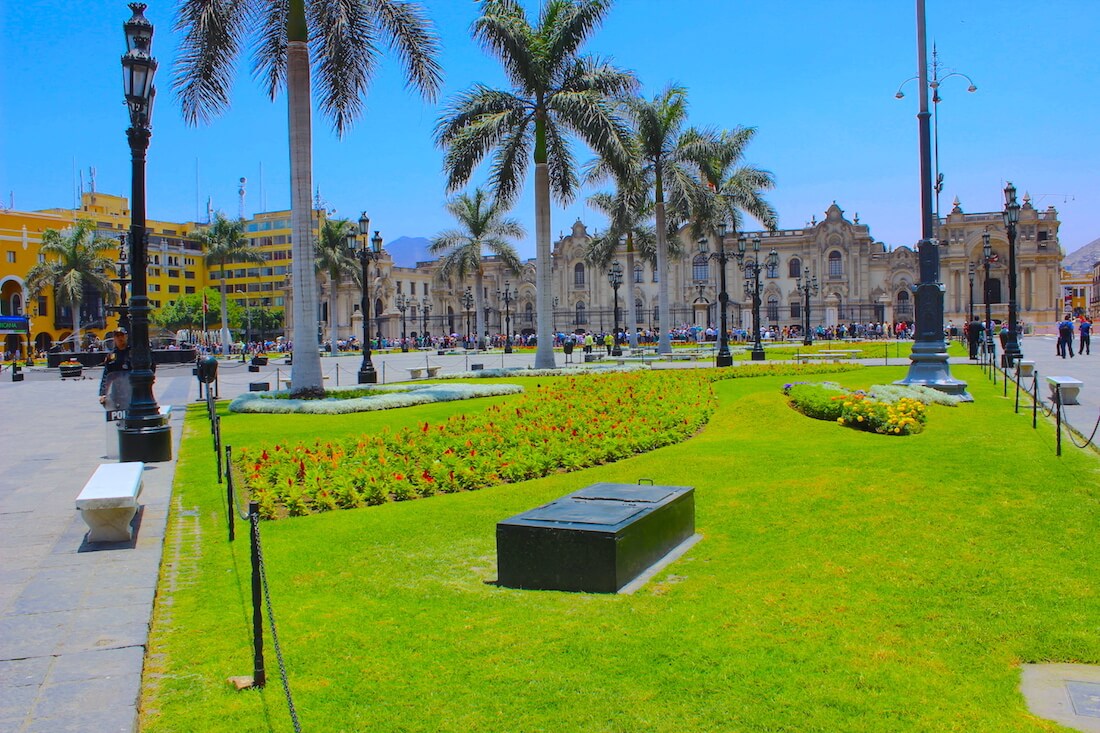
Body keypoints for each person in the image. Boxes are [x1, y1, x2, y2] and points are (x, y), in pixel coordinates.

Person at [98, 327, 132, 412]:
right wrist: (103, 393)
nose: (120, 338)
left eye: (122, 335)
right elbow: (106, 375)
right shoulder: (111, 356)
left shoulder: (133, 352)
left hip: (132, 390)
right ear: (114, 338)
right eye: (117, 336)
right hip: (117, 391)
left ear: (126, 336)